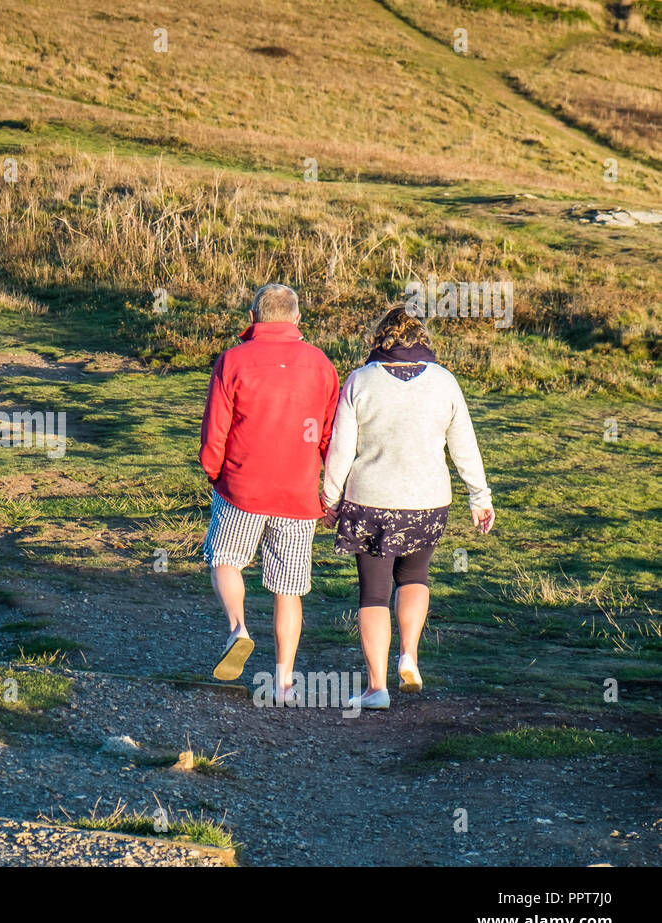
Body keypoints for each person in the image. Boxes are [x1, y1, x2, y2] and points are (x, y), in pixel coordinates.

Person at [321, 305, 495, 710]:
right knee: (416, 575)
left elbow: (340, 450)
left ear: (380, 339)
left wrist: (330, 498)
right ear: (423, 340)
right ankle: (410, 656)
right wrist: (480, 497)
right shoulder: (445, 382)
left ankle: (376, 688)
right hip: (428, 502)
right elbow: (464, 446)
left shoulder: (360, 381)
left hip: (371, 502)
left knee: (374, 594)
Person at [200, 283, 340, 703]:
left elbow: (215, 430)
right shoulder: (321, 365)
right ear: (297, 319)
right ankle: (282, 682)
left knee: (225, 559)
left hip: (242, 487)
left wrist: (214, 473)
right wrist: (328, 494)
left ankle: (238, 627)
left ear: (253, 316)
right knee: (289, 589)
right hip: (299, 495)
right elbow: (330, 436)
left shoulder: (232, 362)